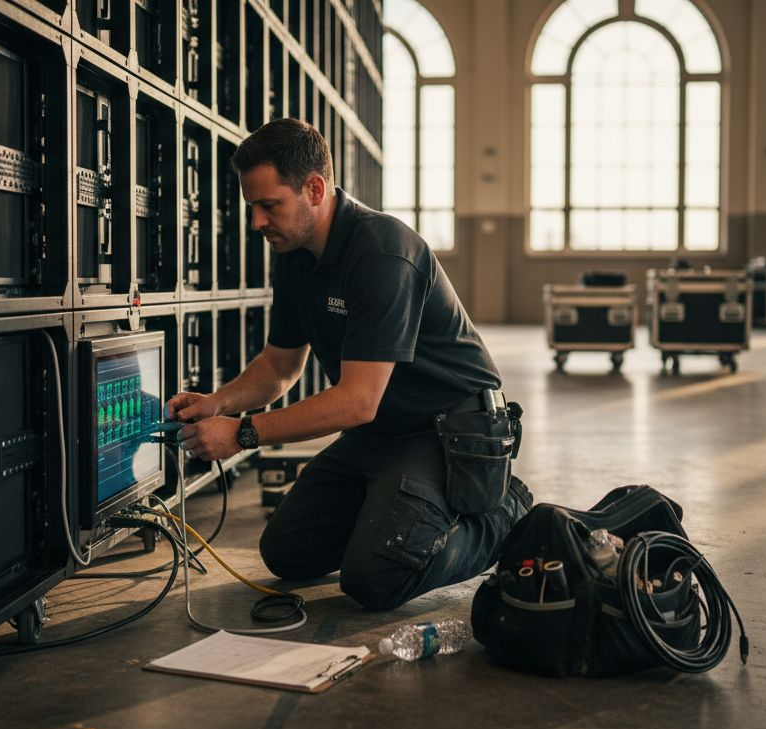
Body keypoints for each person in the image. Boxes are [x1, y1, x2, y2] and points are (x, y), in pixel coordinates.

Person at [167, 118, 528, 610]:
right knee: (287, 553)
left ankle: (503, 510)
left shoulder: (383, 253)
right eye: (252, 206)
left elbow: (357, 400)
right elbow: (279, 366)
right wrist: (217, 403)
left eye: (269, 205)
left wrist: (243, 434)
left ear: (314, 189)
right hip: (380, 431)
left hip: (449, 432)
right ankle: (396, 513)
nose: (256, 222)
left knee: (375, 579)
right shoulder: (295, 254)